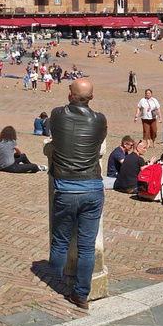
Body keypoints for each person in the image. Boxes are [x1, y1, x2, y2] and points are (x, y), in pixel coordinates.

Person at [46, 79, 107, 310]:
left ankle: (56, 280)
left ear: (69, 95)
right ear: (92, 97)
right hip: (92, 187)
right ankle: (81, 294)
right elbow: (99, 140)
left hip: (66, 187)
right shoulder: (99, 119)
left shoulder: (57, 114)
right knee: (87, 246)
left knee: (60, 241)